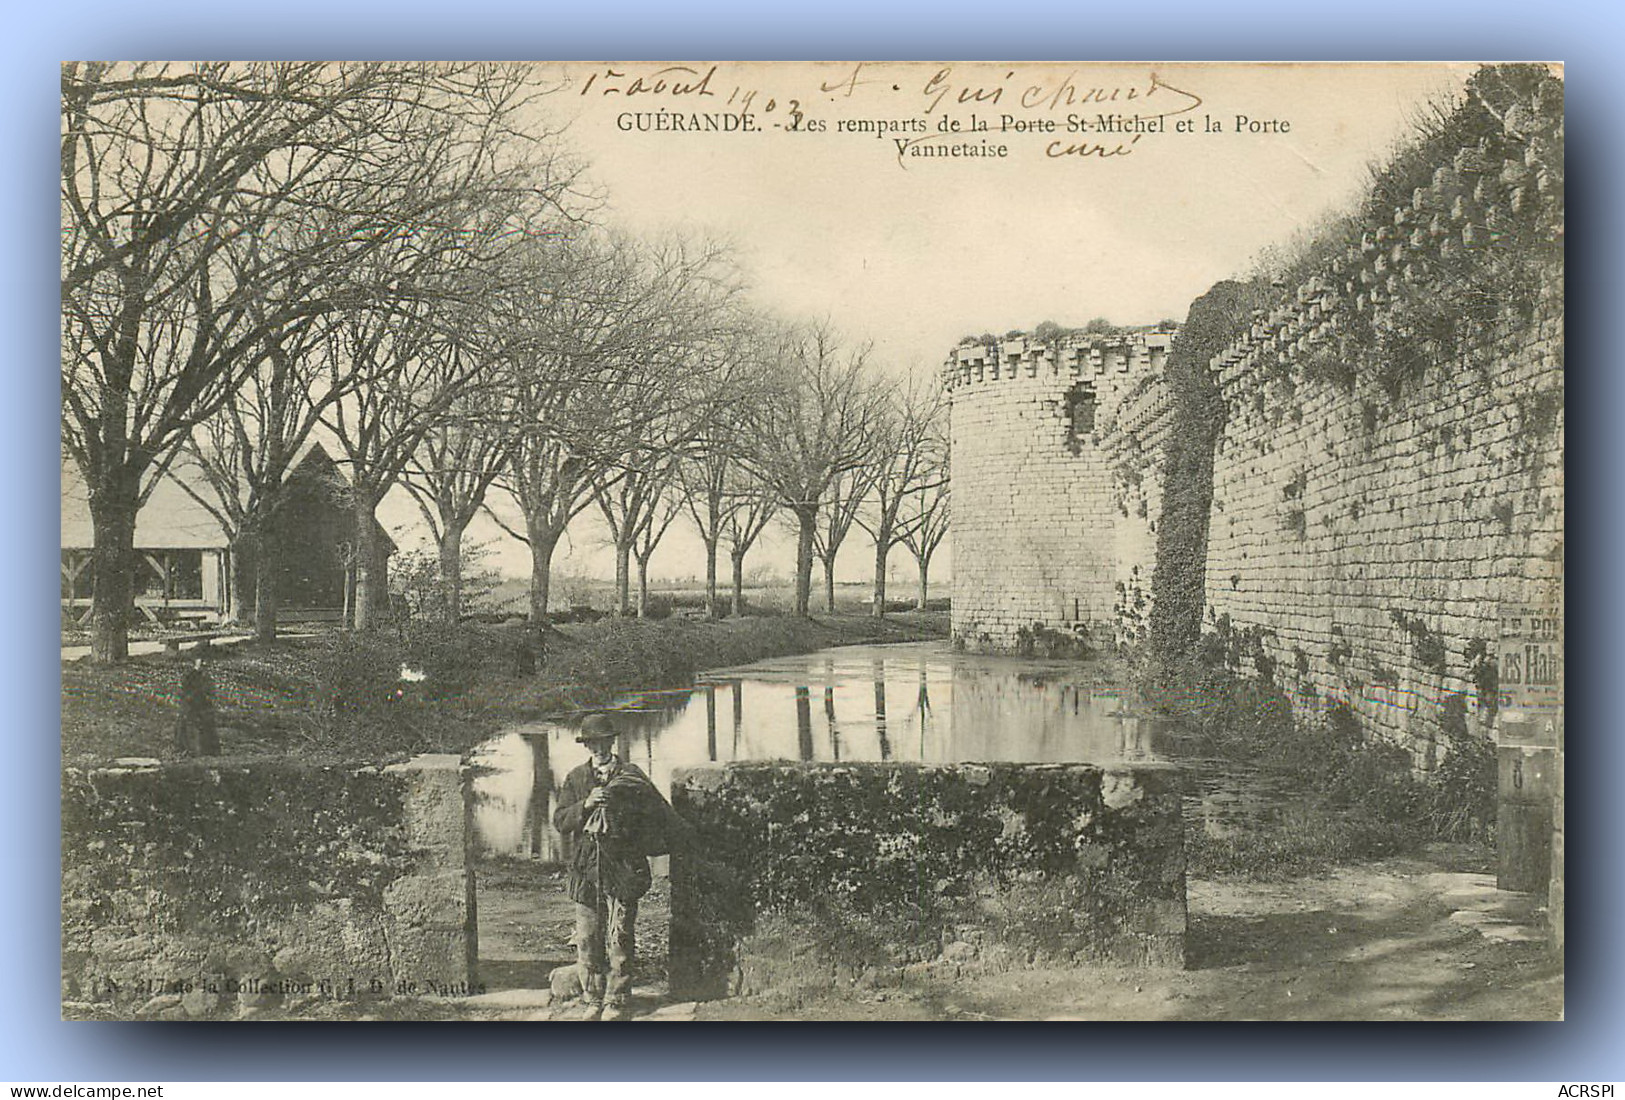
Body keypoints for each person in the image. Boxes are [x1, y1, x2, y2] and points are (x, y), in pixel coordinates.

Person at [552, 712, 670, 1021]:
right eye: (593, 743)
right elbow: (561, 820)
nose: (599, 749)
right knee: (589, 937)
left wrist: (621, 811)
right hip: (587, 869)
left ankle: (617, 1000)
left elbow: (653, 815)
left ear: (612, 742)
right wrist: (586, 805)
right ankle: (592, 998)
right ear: (586, 746)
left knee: (620, 936)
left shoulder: (631, 775)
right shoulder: (576, 778)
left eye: (604, 742)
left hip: (622, 866)